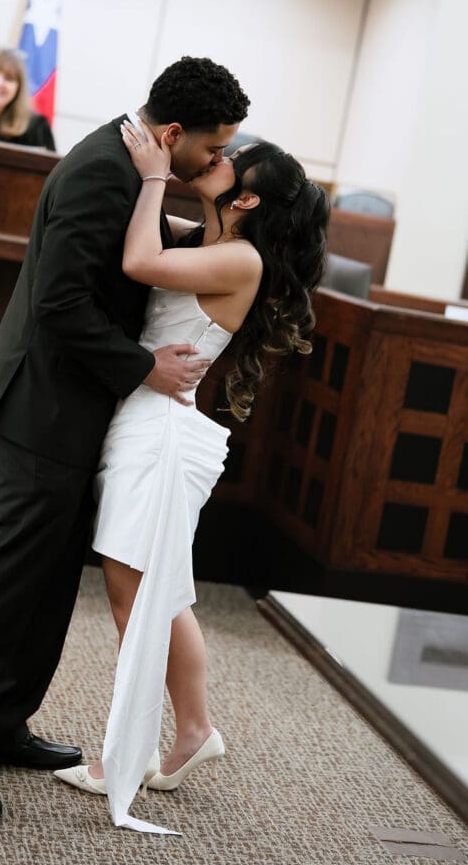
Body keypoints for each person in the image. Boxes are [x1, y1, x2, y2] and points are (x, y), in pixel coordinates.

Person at [0, 56, 250, 820]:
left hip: (78, 411)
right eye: (212, 150)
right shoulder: (99, 172)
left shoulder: (133, 168)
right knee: (7, 578)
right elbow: (58, 303)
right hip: (44, 407)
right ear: (174, 134)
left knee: (49, 581)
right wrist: (141, 367)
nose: (216, 162)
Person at [53, 123, 329, 832]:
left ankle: (127, 754)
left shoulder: (238, 260)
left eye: (233, 162)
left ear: (245, 202)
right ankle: (193, 731)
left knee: (135, 594)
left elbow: (141, 260)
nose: (218, 159)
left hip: (161, 436)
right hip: (148, 423)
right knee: (159, 591)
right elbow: (139, 233)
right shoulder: (212, 238)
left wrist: (152, 176)